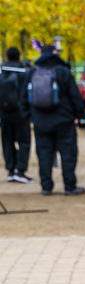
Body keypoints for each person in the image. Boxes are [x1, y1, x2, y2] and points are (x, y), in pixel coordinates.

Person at [21, 44, 85, 196]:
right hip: (64, 120)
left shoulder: (32, 72)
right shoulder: (63, 71)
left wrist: (29, 117)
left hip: (41, 121)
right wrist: (78, 115)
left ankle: (46, 186)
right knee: (68, 154)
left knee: (44, 154)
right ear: (55, 54)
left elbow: (23, 98)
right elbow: (74, 96)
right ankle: (69, 186)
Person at [0, 47, 32, 183]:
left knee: (7, 141)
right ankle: (21, 171)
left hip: (4, 113)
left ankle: (10, 171)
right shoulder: (24, 72)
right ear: (19, 57)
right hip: (21, 113)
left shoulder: (2, 72)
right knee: (24, 141)